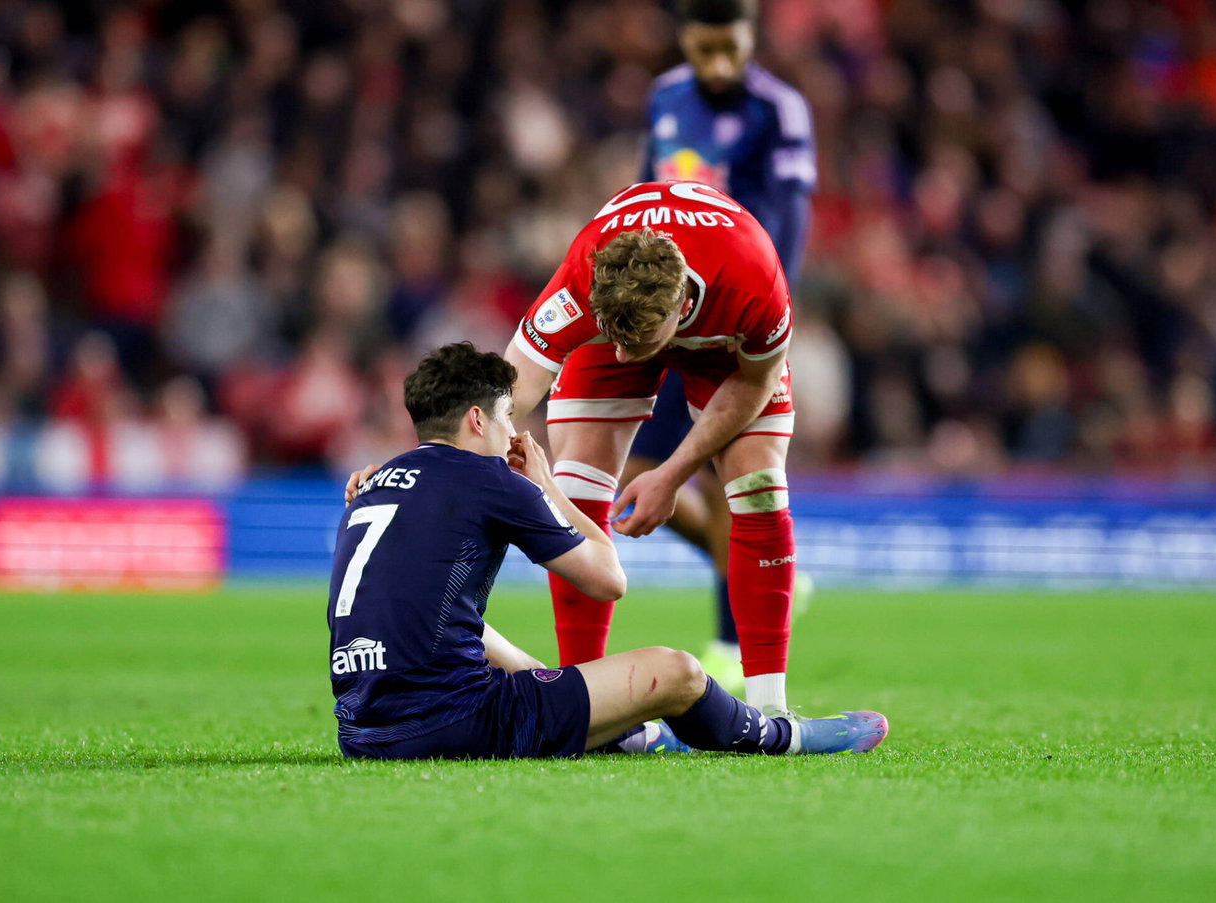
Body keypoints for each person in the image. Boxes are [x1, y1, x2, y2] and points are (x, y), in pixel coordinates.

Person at [329, 342, 886, 759]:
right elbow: (607, 578)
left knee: (466, 627)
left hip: (361, 729)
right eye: (506, 418)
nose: (513, 434)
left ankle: (624, 734)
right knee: (676, 672)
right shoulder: (491, 480)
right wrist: (546, 487)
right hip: (450, 722)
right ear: (477, 420)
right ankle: (780, 735)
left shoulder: (372, 483)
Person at [502, 179, 802, 718]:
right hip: (628, 313)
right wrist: (428, 464)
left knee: (759, 488)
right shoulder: (581, 280)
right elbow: (508, 393)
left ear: (683, 302)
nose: (621, 355)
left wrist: (672, 475)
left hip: (727, 348)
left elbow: (756, 383)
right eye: (614, 338)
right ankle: (586, 705)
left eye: (634, 344)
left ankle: (771, 712)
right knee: (573, 485)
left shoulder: (755, 281)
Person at [631, 0, 817, 692]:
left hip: (739, 317)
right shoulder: (666, 97)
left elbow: (790, 226)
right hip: (667, 315)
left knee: (728, 476)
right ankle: (765, 575)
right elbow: (646, 191)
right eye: (704, 48)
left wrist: (771, 318)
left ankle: (731, 641)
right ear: (683, 37)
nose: (717, 63)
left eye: (729, 48)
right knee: (637, 470)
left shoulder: (780, 110)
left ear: (751, 38)